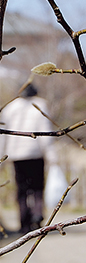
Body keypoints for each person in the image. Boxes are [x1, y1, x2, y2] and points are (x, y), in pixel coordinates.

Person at [0, 83, 56, 234]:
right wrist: (51, 155)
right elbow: (46, 132)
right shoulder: (40, 105)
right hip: (35, 153)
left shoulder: (10, 108)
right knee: (37, 187)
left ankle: (24, 222)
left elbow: (3, 134)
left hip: (16, 155)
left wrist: (2, 157)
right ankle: (37, 217)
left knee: (22, 189)